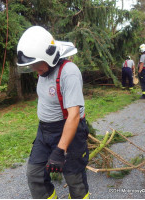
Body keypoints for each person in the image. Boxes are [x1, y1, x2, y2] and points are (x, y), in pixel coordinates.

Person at [16, 26, 89, 199]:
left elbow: (74, 116)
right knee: (35, 175)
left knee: (74, 180)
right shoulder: (43, 70)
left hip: (68, 130)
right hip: (44, 132)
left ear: (48, 56)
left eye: (35, 63)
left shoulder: (69, 73)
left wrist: (60, 150)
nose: (34, 68)